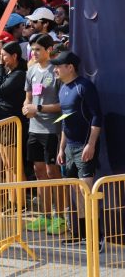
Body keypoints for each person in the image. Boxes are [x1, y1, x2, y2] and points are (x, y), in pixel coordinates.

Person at [53, 51, 103, 242]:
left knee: (87, 191)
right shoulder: (63, 88)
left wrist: (91, 144)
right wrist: (61, 148)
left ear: (70, 67)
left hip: (84, 146)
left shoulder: (84, 86)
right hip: (69, 147)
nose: (55, 70)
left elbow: (97, 116)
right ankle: (82, 234)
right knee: (76, 191)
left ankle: (95, 237)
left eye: (58, 66)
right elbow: (65, 120)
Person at [23, 34, 64, 234]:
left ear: (49, 49)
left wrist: (38, 108)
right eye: (33, 49)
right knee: (38, 171)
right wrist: (26, 107)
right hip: (34, 128)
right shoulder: (31, 70)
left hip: (51, 129)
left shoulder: (56, 70)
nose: (34, 53)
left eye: (38, 49)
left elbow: (62, 104)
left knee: (52, 172)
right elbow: (28, 97)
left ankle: (61, 217)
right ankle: (45, 215)